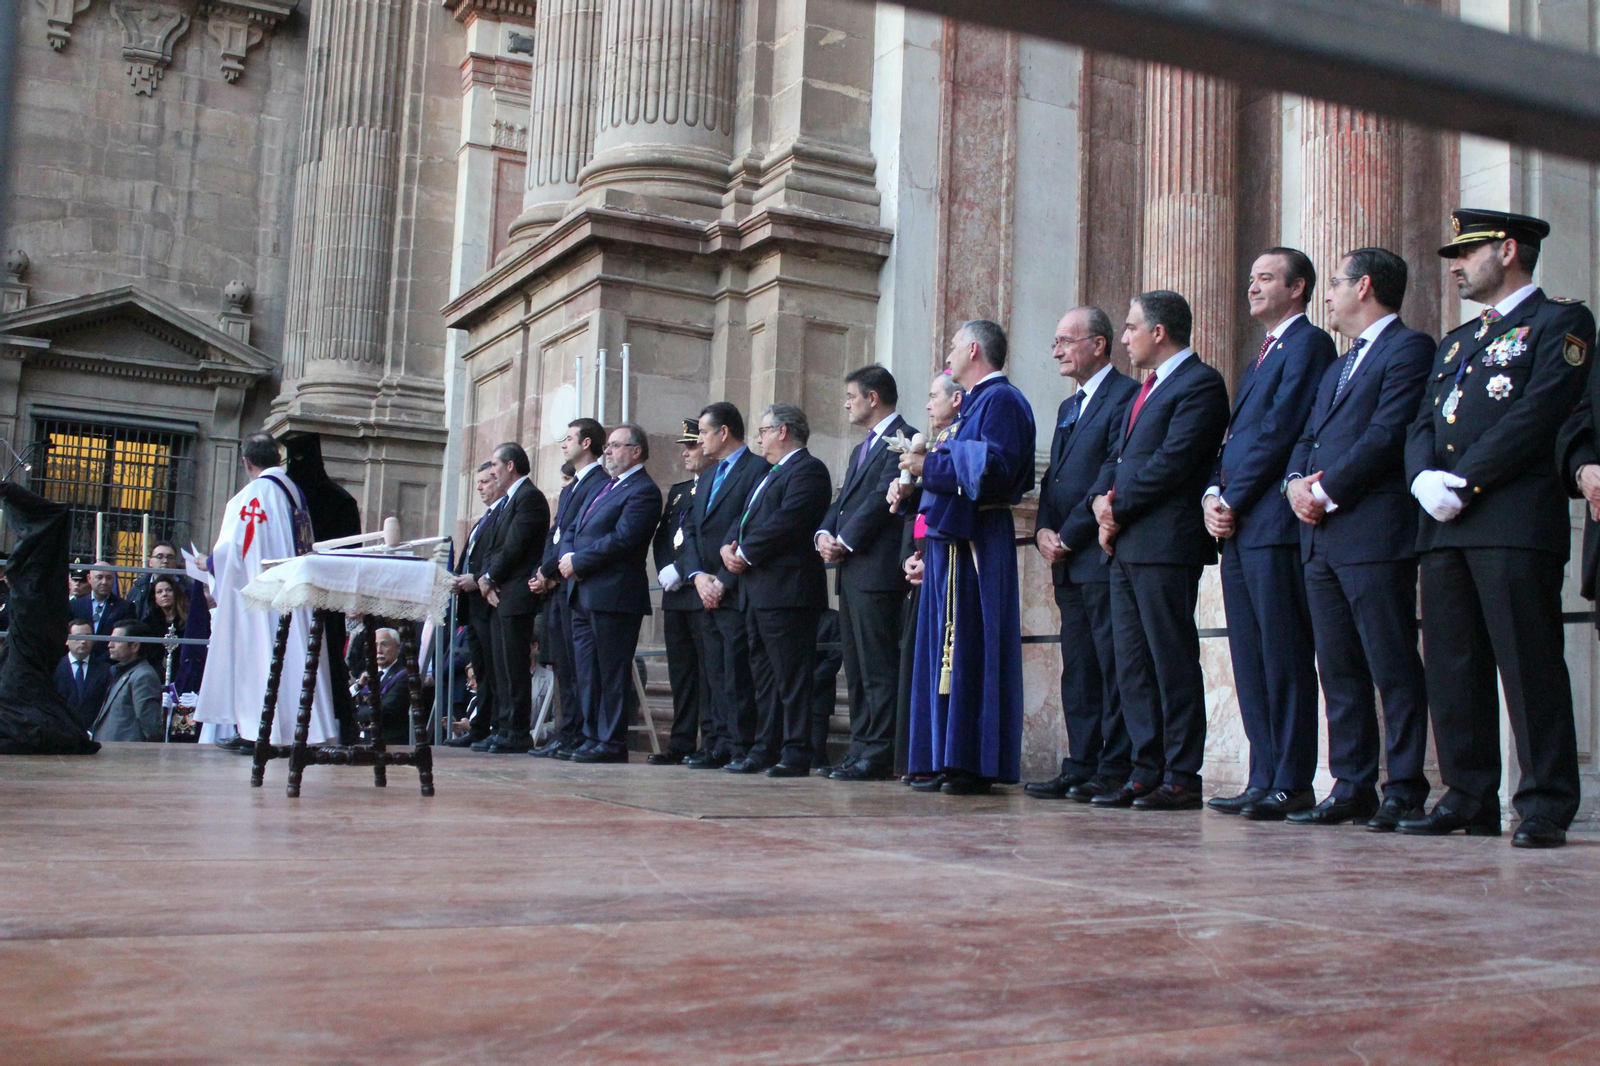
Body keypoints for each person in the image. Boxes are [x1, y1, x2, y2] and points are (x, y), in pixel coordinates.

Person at [1404, 209, 1594, 848]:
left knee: (1528, 662)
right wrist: (1422, 479)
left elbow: (1541, 413)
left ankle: (1543, 802)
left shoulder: (1560, 321)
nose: (1455, 266)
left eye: (1467, 252)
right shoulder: (1457, 341)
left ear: (1508, 250)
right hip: (1444, 525)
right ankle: (1467, 794)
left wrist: (1465, 481)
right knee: (1453, 667)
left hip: (1510, 519)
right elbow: (1422, 423)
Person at [1284, 247, 1434, 830]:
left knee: (1391, 665)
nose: (1327, 293)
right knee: (1338, 669)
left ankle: (1403, 787)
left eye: (1336, 283)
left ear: (1365, 286)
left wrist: (1323, 492)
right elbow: (1308, 438)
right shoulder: (1338, 364)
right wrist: (1296, 484)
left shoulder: (1409, 348)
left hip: (1372, 532)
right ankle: (1351, 785)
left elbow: (1387, 434)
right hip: (1320, 540)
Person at [1203, 248, 1334, 820]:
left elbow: (1280, 431)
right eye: (1250, 277)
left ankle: (1292, 781)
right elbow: (1233, 440)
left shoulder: (1308, 344)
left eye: (1265, 278)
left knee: (1282, 657)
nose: (1251, 287)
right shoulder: (1263, 352)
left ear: (1298, 287)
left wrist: (1230, 496)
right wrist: (1212, 495)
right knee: (1249, 659)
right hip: (1239, 527)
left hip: (1273, 526)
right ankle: (1263, 775)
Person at [1089, 291, 1231, 810]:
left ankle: (1181, 774)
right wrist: (1099, 503)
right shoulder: (1141, 391)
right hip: (1126, 544)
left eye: (1130, 328)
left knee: (1170, 658)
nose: (1124, 338)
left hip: (1166, 543)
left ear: (1159, 332)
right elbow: (1117, 458)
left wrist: (1117, 506)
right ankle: (1145, 769)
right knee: (1132, 663)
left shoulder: (1201, 384)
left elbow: (1174, 463)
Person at [902, 320, 1036, 795]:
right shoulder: (979, 402)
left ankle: (970, 760)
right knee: (946, 649)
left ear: (974, 349)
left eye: (955, 346)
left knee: (970, 646)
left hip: (977, 538)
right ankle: (943, 755)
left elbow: (996, 468)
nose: (950, 354)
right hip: (952, 540)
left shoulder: (1002, 400)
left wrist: (930, 465)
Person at [1026, 306, 1140, 802]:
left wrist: (1068, 532)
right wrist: (1041, 530)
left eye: (1065, 341)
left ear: (1098, 344)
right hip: (1066, 558)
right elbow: (1054, 480)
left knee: (1109, 664)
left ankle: (1113, 765)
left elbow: (1107, 476)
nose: (1056, 352)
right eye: (1055, 341)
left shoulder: (1126, 396)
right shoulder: (1068, 407)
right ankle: (1080, 761)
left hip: (1097, 552)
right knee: (1077, 666)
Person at [194, 432, 338, 750]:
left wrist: (210, 565)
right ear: (278, 458)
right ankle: (288, 731)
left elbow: (233, 551)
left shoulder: (250, 498)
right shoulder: (294, 493)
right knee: (291, 658)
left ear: (246, 462)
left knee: (260, 659)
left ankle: (261, 733)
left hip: (260, 597)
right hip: (293, 592)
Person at [720, 404, 833, 776]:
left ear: (783, 431)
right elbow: (743, 517)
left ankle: (797, 749)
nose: (759, 438)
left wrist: (747, 552)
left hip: (788, 590)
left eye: (764, 430)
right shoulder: (768, 473)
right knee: (763, 676)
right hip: (758, 590)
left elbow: (789, 521)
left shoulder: (809, 470)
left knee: (792, 675)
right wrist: (728, 546)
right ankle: (764, 747)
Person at [815, 365, 915, 782]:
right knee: (854, 666)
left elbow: (881, 499)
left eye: (852, 396)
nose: (846, 403)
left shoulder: (905, 440)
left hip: (877, 569)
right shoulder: (861, 449)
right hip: (852, 571)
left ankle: (880, 750)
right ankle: (860, 746)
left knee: (877, 665)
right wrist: (824, 532)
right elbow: (843, 501)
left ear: (874, 398)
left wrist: (846, 540)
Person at [557, 423, 663, 762]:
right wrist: (567, 556)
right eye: (609, 446)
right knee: (587, 672)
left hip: (614, 595)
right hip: (584, 592)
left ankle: (611, 741)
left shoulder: (644, 490)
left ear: (636, 451)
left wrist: (579, 561)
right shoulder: (605, 486)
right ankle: (591, 736)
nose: (608, 451)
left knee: (611, 672)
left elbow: (623, 539)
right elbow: (573, 527)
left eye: (616, 445)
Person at [680, 402, 769, 768]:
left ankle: (740, 743)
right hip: (705, 588)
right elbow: (689, 531)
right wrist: (698, 576)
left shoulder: (756, 469)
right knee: (713, 671)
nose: (699, 440)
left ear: (723, 432)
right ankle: (716, 741)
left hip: (735, 587)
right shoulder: (709, 475)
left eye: (702, 432)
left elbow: (750, 527)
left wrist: (722, 579)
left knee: (737, 672)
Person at [890, 375, 964, 779]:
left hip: (944, 566)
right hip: (924, 565)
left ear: (956, 399)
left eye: (933, 396)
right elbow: (921, 515)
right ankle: (917, 758)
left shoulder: (954, 442)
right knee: (915, 665)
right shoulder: (936, 444)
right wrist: (910, 558)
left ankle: (939, 758)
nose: (928, 404)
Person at [529, 420, 606, 758]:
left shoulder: (600, 484)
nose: (563, 444)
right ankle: (567, 731)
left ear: (587, 443)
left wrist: (550, 570)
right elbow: (556, 533)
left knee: (579, 667)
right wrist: (544, 570)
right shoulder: (570, 488)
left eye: (569, 438)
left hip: (576, 583)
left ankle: (578, 732)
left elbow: (579, 533)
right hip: (558, 584)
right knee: (563, 663)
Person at [476, 440, 551, 753]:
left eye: (495, 465)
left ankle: (517, 731)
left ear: (510, 466)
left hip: (516, 591)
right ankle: (504, 727)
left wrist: (491, 577)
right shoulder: (508, 501)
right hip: (499, 593)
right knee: (500, 666)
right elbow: (493, 547)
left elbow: (515, 545)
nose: (492, 471)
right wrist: (487, 580)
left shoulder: (529, 497)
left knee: (514, 666)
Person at [648, 420, 710, 765]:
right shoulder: (680, 490)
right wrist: (664, 568)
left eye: (692, 445)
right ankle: (681, 741)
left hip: (700, 589)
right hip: (675, 592)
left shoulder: (714, 485)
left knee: (707, 672)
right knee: (681, 673)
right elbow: (663, 536)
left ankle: (709, 740)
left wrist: (685, 570)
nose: (686, 453)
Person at [443, 462, 505, 748]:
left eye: (484, 482)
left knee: (492, 669)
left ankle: (491, 725)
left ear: (499, 480)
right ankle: (480, 727)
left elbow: (497, 558)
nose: (479, 487)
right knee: (479, 668)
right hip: (471, 605)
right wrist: (455, 578)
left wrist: (477, 578)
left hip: (488, 603)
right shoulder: (483, 518)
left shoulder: (502, 515)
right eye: (478, 482)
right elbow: (468, 556)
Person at [91, 620, 165, 741]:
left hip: (127, 755)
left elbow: (151, 726)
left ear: (135, 646)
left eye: (117, 640)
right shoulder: (120, 672)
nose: (110, 645)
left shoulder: (143, 676)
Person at [355, 628, 413, 746]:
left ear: (398, 647)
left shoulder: (404, 676)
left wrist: (352, 712)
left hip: (390, 742)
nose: (378, 650)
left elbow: (383, 711)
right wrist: (358, 686)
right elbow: (344, 703)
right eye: (374, 645)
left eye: (384, 645)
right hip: (363, 741)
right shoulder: (366, 674)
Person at [69, 563, 134, 663]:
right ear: (89, 578)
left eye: (108, 578)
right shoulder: (74, 605)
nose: (104, 582)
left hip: (110, 665)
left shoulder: (125, 607)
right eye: (99, 577)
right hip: (79, 663)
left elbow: (126, 639)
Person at [55, 619, 112, 732]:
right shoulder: (53, 668)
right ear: (66, 640)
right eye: (78, 636)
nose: (83, 641)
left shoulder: (105, 670)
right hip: (59, 732)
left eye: (88, 636)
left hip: (94, 733)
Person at [123, 541, 179, 622]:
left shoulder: (187, 589)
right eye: (160, 556)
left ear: (175, 562)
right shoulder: (137, 588)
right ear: (150, 562)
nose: (165, 561)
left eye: (170, 557)